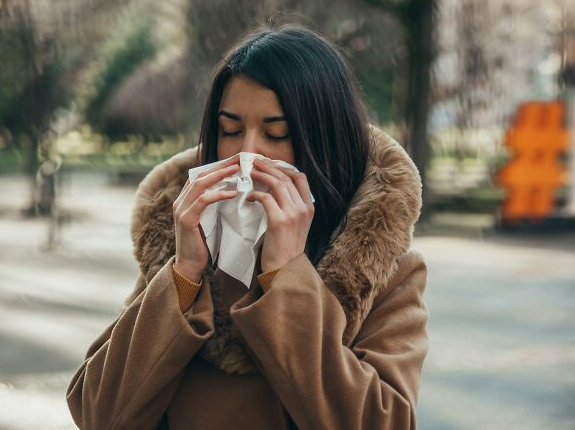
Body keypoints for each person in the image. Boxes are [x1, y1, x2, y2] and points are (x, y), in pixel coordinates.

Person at [66, 23, 429, 430]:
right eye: (231, 130)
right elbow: (97, 414)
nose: (248, 153)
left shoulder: (384, 271)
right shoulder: (186, 246)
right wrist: (183, 272)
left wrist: (286, 274)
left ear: (324, 143)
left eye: (277, 133)